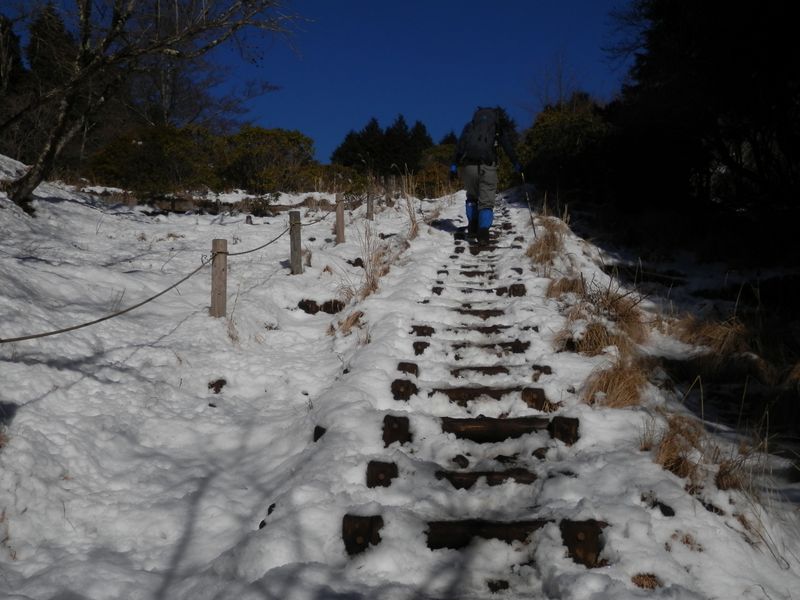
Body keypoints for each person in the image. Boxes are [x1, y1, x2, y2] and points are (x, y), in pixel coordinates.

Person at [450, 107, 521, 243]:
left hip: (468, 167)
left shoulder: (470, 126)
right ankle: (483, 233)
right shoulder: (496, 128)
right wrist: (516, 163)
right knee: (486, 201)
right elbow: (507, 147)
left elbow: (459, 147)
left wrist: (453, 166)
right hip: (487, 166)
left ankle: (472, 227)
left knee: (472, 198)